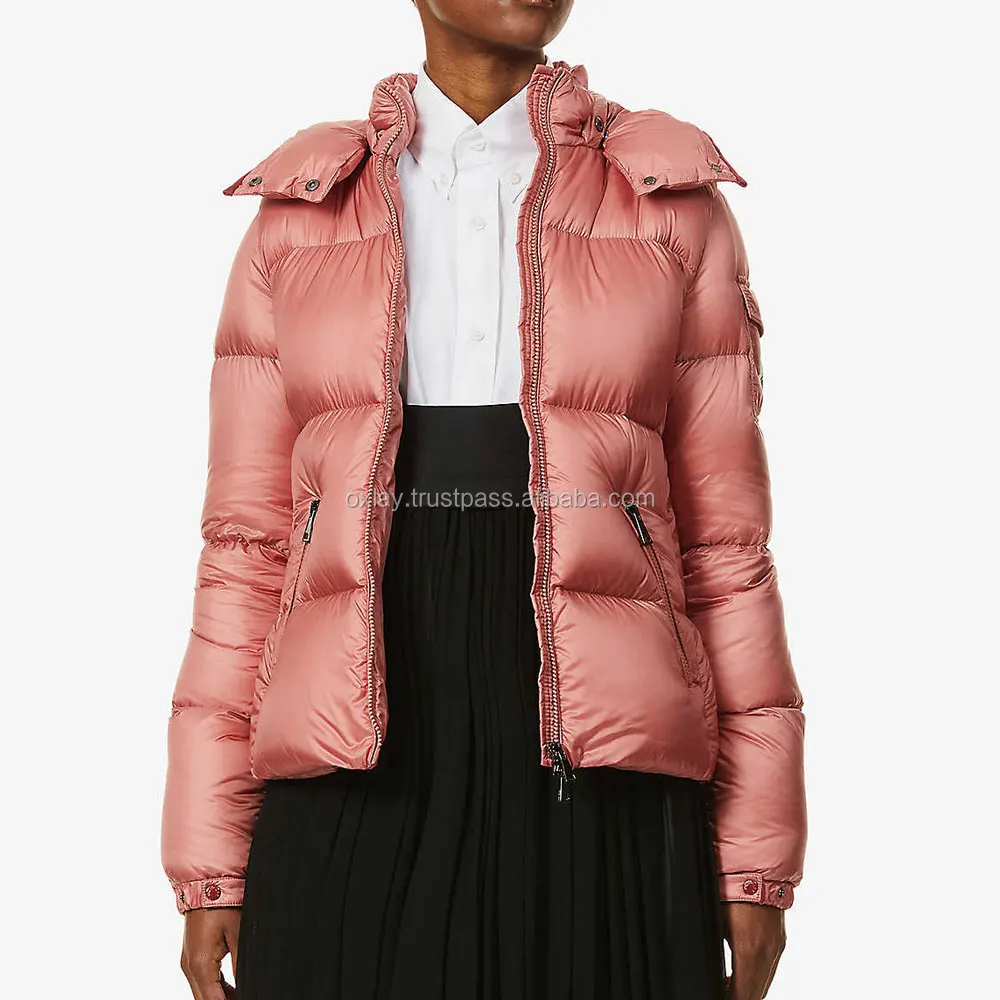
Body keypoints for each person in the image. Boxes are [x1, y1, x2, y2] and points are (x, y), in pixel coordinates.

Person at [161, 1, 807, 998]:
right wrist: (211, 851)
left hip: (603, 751)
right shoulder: (299, 214)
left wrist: (753, 856)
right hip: (353, 735)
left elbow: (726, 545)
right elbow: (246, 549)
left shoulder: (669, 202)